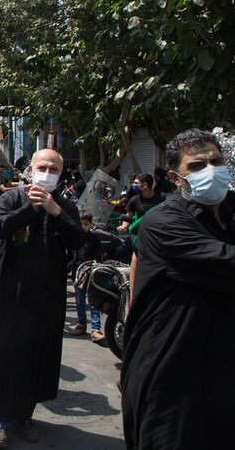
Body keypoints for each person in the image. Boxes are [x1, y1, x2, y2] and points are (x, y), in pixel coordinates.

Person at [121, 129, 235, 449]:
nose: (211, 170)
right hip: (173, 379)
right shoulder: (164, 223)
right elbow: (223, 263)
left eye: (216, 161)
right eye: (197, 166)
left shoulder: (228, 217)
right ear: (176, 177)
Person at [0, 149, 84, 447]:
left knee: (35, 358)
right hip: (8, 293)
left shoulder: (64, 205)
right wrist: (31, 209)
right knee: (2, 358)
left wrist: (54, 212)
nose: (47, 172)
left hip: (45, 297)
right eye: (42, 167)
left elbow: (78, 241)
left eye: (53, 168)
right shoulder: (11, 198)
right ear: (31, 169)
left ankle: (25, 414)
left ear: (60, 174)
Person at [69, 211, 104, 342]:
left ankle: (96, 329)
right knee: (79, 302)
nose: (83, 226)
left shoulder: (94, 239)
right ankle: (81, 324)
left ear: (91, 224)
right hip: (78, 274)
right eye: (81, 224)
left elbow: (98, 257)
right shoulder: (74, 238)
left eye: (86, 224)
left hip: (90, 274)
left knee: (93, 302)